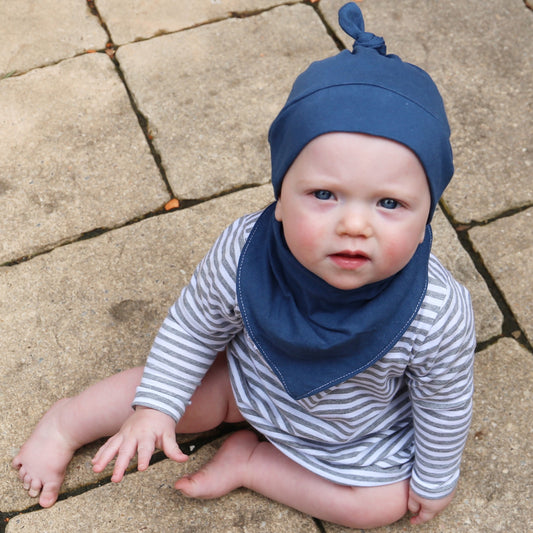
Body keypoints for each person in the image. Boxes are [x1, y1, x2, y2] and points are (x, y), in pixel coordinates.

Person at [12, 3, 475, 529]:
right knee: (156, 394)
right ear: (280, 198)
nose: (354, 225)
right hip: (245, 384)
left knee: (382, 506)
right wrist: (157, 409)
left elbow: (445, 404)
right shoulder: (243, 251)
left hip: (355, 430)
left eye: (389, 204)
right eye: (324, 194)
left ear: (427, 215)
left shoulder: (437, 312)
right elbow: (192, 328)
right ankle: (66, 424)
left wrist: (437, 477)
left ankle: (254, 464)